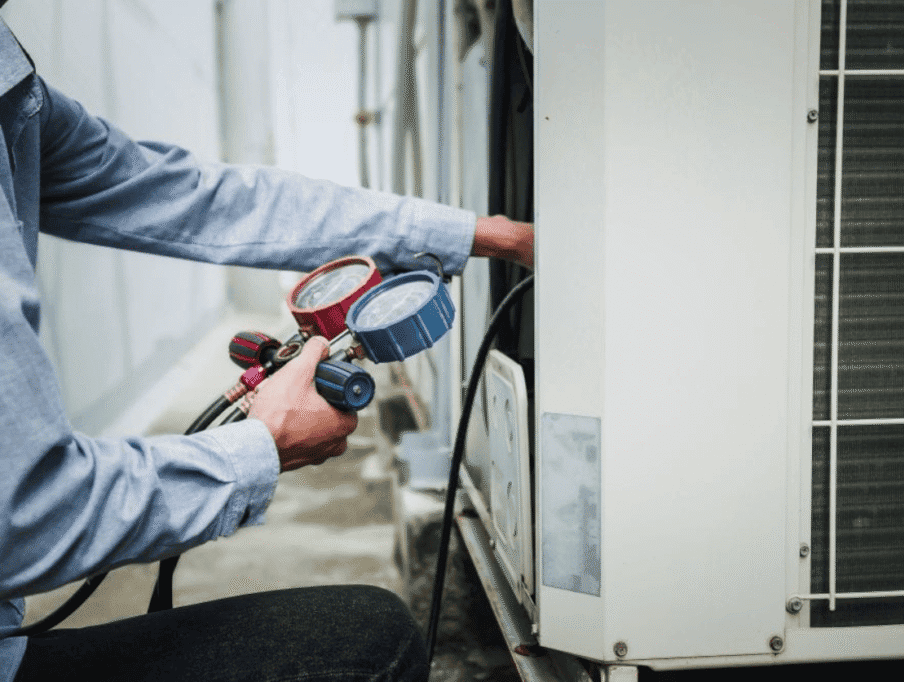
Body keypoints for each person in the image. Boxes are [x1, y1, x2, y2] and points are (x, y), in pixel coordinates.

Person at [0, 15, 532, 682]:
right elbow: (29, 516)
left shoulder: (13, 89)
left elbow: (201, 198)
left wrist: (485, 234)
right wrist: (259, 448)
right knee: (373, 640)